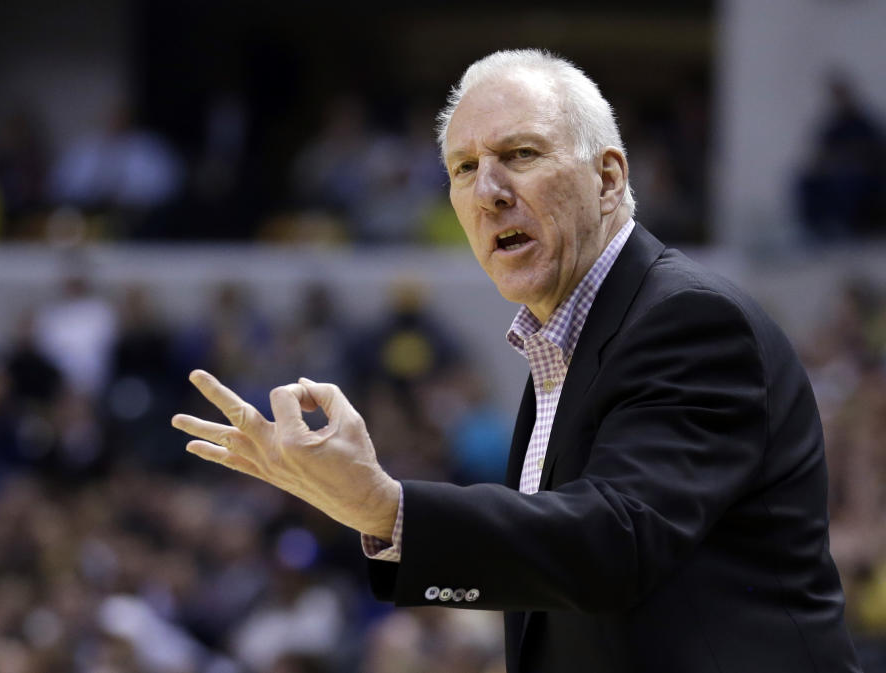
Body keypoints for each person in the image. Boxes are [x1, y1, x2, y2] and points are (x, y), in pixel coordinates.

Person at [172, 49, 862, 672]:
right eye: (464, 168)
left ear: (609, 177)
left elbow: (614, 542)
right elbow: (568, 589)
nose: (488, 190)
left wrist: (390, 508)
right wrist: (373, 512)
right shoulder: (564, 341)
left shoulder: (689, 320)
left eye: (521, 154)